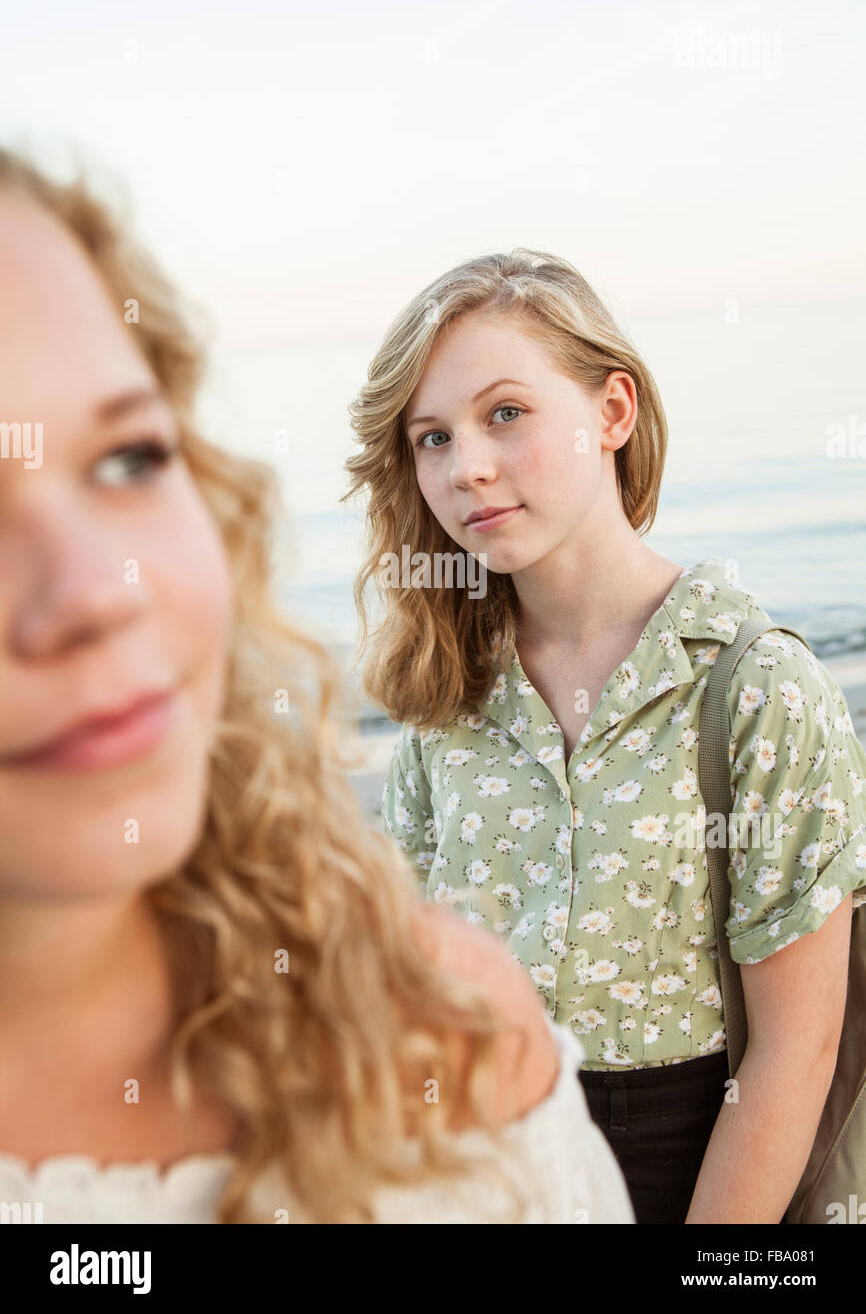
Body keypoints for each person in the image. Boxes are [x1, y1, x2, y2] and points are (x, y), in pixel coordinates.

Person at [0, 155, 635, 1225]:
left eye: (128, 458)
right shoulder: (447, 708)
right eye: (432, 437)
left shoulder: (447, 1038)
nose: (93, 593)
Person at [343, 247, 866, 1224]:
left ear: (611, 413)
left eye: (504, 412)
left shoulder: (754, 686)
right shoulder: (442, 702)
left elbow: (797, 1049)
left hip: (700, 1172)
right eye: (430, 437)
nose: (467, 468)